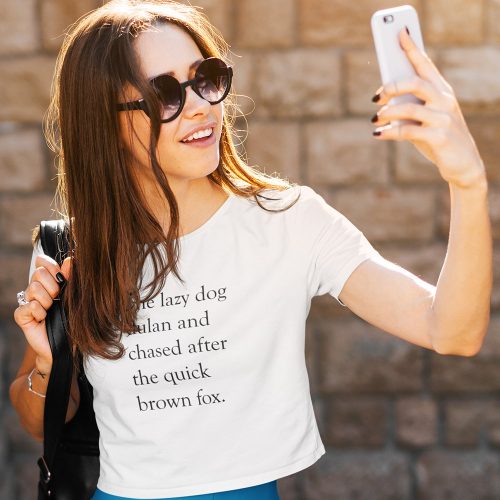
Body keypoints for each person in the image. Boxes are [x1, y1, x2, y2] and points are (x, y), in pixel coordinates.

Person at [9, 0, 492, 499]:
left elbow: (450, 329)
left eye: (205, 78)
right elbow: (38, 422)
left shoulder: (289, 222)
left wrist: (467, 182)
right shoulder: (75, 250)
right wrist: (49, 364)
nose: (199, 105)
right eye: (165, 93)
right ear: (104, 120)